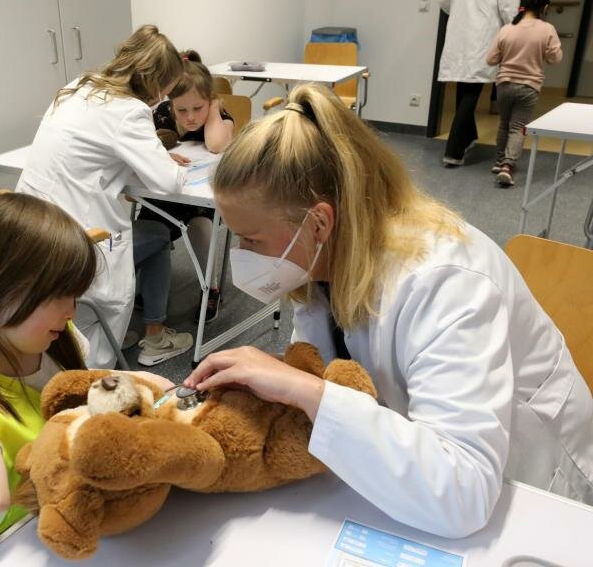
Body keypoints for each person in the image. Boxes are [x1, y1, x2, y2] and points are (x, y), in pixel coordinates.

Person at [184, 83, 593, 538]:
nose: (241, 254)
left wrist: (308, 392)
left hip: (530, 486)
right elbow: (333, 370)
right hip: (420, 461)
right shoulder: (328, 255)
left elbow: (465, 493)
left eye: (252, 240)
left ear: (319, 221)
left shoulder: (446, 279)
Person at [0, 193, 173, 552]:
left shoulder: (53, 341)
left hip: (68, 513)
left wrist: (146, 383)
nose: (71, 312)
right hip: (10, 543)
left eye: (74, 295)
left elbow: (83, 382)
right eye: (57, 296)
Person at [16, 25, 194, 368]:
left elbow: (92, 154)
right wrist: (162, 160)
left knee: (144, 239)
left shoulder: (79, 86)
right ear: (156, 82)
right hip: (77, 244)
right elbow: (169, 182)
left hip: (32, 232)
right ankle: (104, 361)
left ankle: (96, 333)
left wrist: (141, 156)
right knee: (155, 239)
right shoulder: (129, 110)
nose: (163, 100)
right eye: (166, 91)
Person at [140, 49, 234, 322]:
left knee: (200, 225)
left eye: (198, 108)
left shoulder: (218, 115)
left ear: (210, 102)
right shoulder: (159, 117)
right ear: (170, 106)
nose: (191, 117)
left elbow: (216, 145)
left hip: (199, 202)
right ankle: (146, 286)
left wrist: (215, 108)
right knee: (150, 218)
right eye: (181, 110)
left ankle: (211, 288)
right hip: (165, 193)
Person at [438, 0, 521, 167]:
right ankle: (453, 151)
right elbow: (508, 6)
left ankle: (468, 137)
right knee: (471, 91)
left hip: (460, 28)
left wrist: (462, 10)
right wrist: (515, 33)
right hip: (485, 30)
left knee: (466, 84)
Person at [486, 0, 562, 187]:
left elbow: (491, 59)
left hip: (504, 85)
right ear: (544, 7)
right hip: (529, 86)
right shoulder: (547, 30)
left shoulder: (507, 29)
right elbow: (556, 58)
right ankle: (507, 167)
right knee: (518, 128)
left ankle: (498, 161)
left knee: (504, 124)